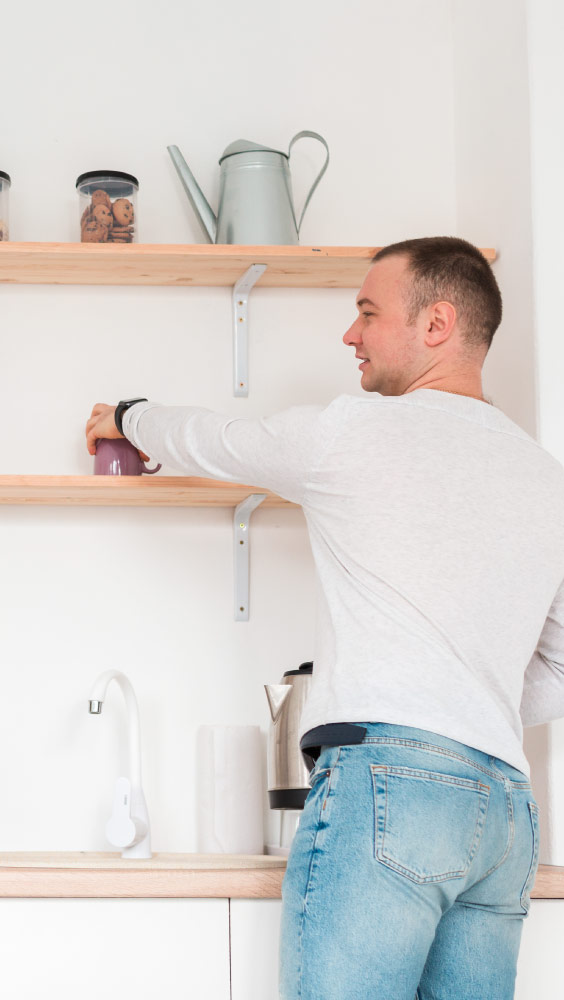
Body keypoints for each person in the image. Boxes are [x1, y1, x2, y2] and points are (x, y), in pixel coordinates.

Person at [84, 237, 564, 999]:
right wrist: (466, 703)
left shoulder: (356, 433)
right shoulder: (547, 479)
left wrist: (130, 415)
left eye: (368, 313)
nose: (351, 334)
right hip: (505, 810)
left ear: (437, 323)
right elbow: (562, 670)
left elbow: (216, 440)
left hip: (389, 790)